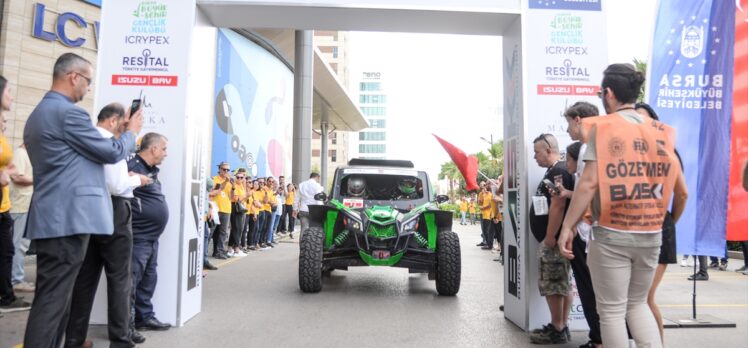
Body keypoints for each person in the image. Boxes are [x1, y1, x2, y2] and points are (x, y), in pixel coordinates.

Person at [558, 63, 688, 348]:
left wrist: (567, 227)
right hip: (651, 233)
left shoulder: (603, 129)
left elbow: (589, 182)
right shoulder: (662, 131)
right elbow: (682, 193)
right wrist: (664, 224)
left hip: (611, 234)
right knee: (638, 304)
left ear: (608, 93)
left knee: (612, 311)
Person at [22, 53, 140, 347]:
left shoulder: (41, 113)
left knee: (54, 300)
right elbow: (111, 152)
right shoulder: (67, 114)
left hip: (56, 217)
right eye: (87, 81)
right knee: (51, 304)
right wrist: (131, 133)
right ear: (74, 76)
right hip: (67, 220)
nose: (87, 88)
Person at [65, 103, 150, 348]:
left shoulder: (88, 138)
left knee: (85, 278)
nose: (128, 126)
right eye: (124, 121)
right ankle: (121, 340)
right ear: (113, 121)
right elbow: (116, 184)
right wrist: (137, 180)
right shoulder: (111, 143)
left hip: (89, 211)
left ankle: (75, 338)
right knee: (120, 279)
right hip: (114, 209)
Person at [636, 102, 683, 344]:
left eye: (643, 119)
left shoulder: (668, 152)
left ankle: (659, 343)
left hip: (658, 228)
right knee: (634, 299)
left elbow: (682, 194)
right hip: (634, 229)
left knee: (644, 298)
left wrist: (669, 221)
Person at [559, 101, 603, 348]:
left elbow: (586, 189)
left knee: (590, 290)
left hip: (591, 233)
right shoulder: (598, 145)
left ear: (578, 120)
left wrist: (569, 225)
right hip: (594, 231)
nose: (568, 131)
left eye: (568, 124)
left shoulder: (590, 149)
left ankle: (598, 339)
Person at [527, 133, 574, 345]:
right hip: (556, 239)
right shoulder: (555, 170)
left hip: (554, 241)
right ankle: (561, 326)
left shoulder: (559, 171)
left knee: (553, 283)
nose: (535, 156)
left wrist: (550, 236)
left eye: (537, 152)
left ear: (548, 150)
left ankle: (557, 328)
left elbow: (558, 204)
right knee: (561, 283)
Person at [129, 132, 171, 332]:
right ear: (153, 148)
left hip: (151, 238)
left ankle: (143, 318)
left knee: (148, 279)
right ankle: (125, 325)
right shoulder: (131, 167)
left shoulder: (152, 170)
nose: (166, 153)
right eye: (163, 149)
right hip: (137, 237)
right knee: (131, 280)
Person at [0, 74, 32, 313]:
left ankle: (7, 293)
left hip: (7, 205)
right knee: (14, 247)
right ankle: (11, 287)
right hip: (15, 203)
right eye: (8, 91)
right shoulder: (21, 152)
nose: (12, 96)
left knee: (9, 249)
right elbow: (17, 176)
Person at [9, 143, 34, 294]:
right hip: (19, 206)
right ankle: (16, 279)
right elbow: (17, 177)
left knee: (20, 244)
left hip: (23, 205)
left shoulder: (25, 154)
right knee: (19, 244)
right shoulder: (20, 153)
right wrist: (39, 178)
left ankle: (15, 278)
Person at [211, 162, 234, 259]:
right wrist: (225, 182)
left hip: (226, 209)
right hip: (215, 209)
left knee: (223, 232)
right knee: (211, 231)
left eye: (227, 170)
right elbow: (214, 192)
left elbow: (231, 197)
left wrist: (233, 186)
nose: (226, 171)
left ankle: (219, 251)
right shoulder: (214, 179)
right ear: (219, 169)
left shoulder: (229, 182)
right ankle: (203, 253)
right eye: (224, 169)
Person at [228, 169, 247, 257]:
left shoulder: (242, 186)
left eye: (241, 177)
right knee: (237, 228)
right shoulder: (234, 185)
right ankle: (236, 248)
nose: (239, 178)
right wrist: (246, 196)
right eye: (238, 177)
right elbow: (236, 199)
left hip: (241, 208)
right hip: (235, 207)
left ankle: (230, 248)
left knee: (238, 228)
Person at [477, 182, 493, 248]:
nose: (483, 186)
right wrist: (482, 196)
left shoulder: (490, 194)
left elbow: (490, 204)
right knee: (484, 229)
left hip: (489, 214)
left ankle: (489, 244)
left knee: (487, 230)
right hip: (483, 214)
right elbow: (480, 203)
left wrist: (483, 207)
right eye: (481, 185)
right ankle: (486, 242)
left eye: (484, 185)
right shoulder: (482, 194)